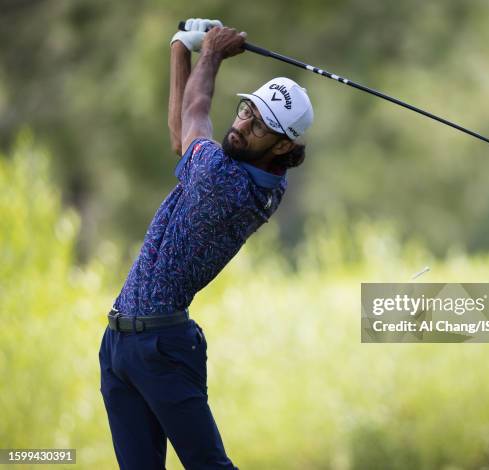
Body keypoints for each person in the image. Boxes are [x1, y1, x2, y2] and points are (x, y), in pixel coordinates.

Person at [98, 18, 314, 469]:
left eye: (260, 126)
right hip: (120, 345)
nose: (243, 125)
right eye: (247, 111)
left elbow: (194, 115)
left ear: (281, 147)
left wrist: (211, 52)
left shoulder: (229, 186)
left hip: (163, 347)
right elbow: (183, 137)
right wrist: (181, 48)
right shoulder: (245, 169)